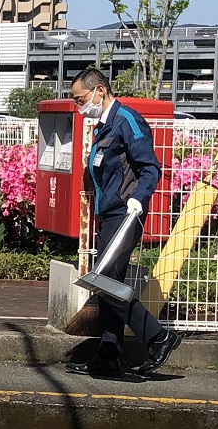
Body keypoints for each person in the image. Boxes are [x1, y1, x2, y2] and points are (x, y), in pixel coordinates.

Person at [67, 68, 181, 379]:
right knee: (110, 285)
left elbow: (150, 168)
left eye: (80, 100)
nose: (79, 106)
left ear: (99, 91)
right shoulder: (104, 126)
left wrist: (138, 199)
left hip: (125, 214)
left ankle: (158, 336)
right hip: (110, 215)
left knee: (104, 281)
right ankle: (107, 357)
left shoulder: (127, 120)